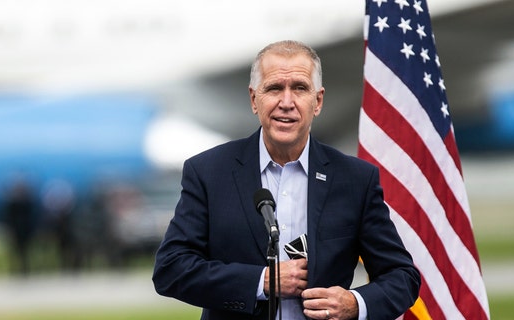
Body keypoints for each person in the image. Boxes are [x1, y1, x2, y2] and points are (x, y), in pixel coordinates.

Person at [152, 40, 420, 320]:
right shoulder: (208, 172)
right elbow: (171, 269)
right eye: (274, 88)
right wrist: (262, 281)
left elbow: (402, 276)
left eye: (300, 88)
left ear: (318, 101)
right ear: (254, 99)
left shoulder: (355, 179)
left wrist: (355, 303)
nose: (287, 103)